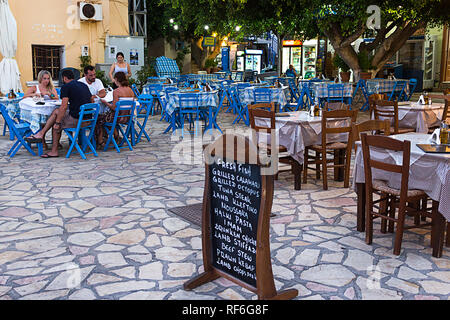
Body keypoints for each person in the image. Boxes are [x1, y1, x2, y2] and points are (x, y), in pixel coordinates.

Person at [25, 69, 93, 158]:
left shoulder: (66, 87)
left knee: (57, 123)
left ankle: (53, 150)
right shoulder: (84, 85)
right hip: (89, 120)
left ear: (64, 78)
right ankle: (41, 134)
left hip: (78, 121)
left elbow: (64, 106)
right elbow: (91, 100)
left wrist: (57, 122)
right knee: (57, 112)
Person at [96, 71, 135, 148]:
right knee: (108, 118)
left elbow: (114, 107)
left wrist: (105, 103)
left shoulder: (116, 91)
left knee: (99, 118)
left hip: (118, 118)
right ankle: (116, 136)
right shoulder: (130, 90)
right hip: (127, 117)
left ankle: (100, 141)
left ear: (116, 79)